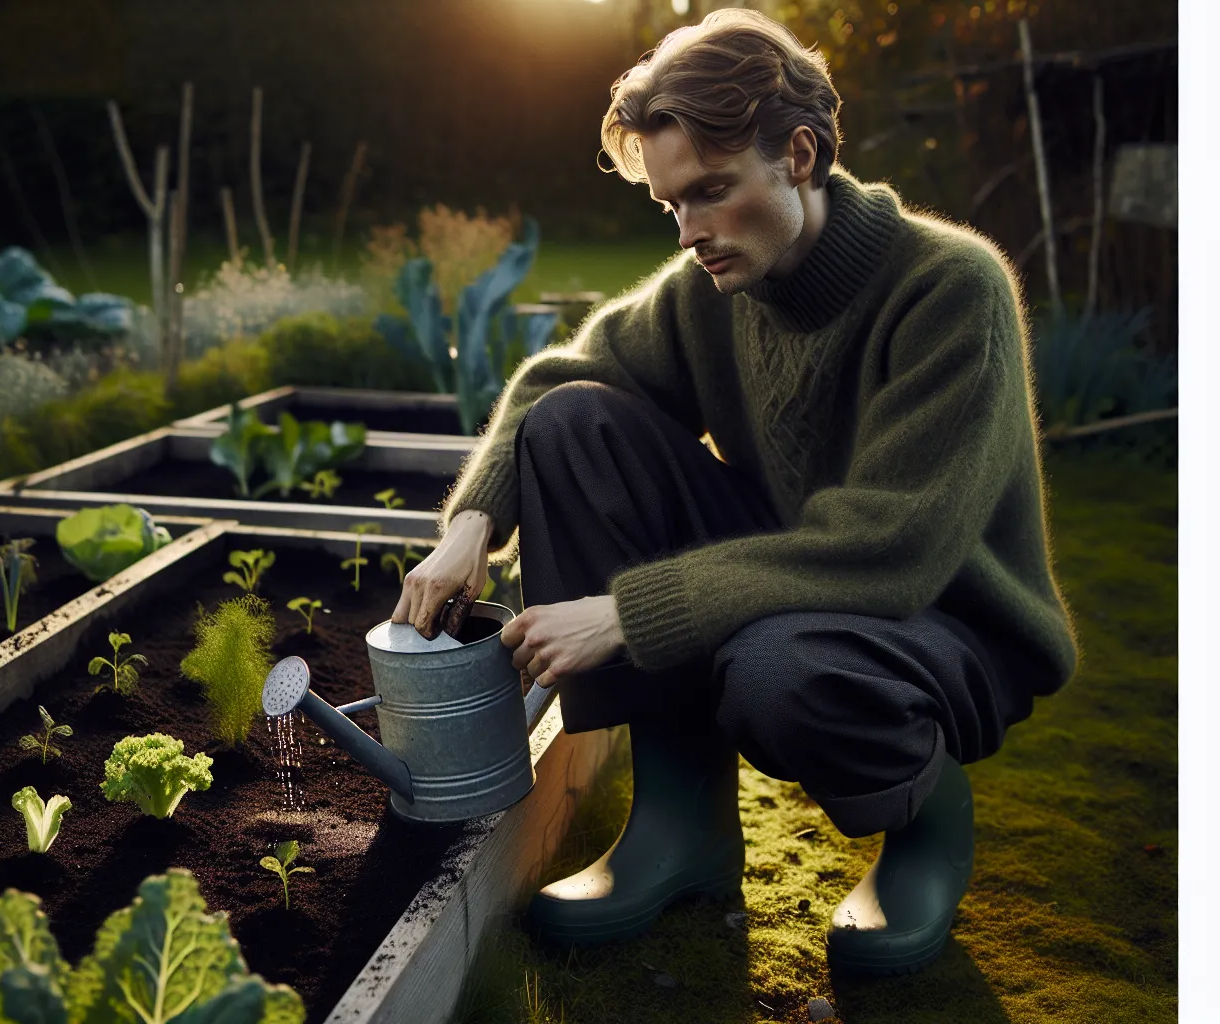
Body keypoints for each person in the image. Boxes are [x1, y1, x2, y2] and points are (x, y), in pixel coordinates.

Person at [390, 7, 1079, 983]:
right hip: (789, 580)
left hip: (943, 621)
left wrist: (627, 613)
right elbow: (555, 384)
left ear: (797, 154)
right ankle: (681, 824)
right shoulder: (713, 286)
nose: (690, 233)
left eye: (710, 192)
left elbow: (890, 543)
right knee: (572, 424)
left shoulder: (947, 289)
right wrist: (471, 526)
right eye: (670, 205)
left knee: (778, 671)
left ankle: (925, 817)